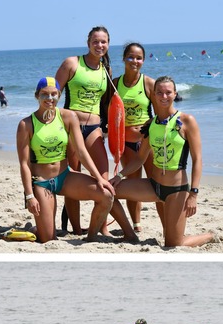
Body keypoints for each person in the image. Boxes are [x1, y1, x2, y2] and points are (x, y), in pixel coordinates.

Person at [17, 76, 137, 243]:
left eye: (54, 94)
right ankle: (35, 228)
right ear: (37, 96)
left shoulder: (68, 117)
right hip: (42, 182)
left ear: (59, 95)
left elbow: (81, 152)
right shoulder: (26, 124)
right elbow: (24, 163)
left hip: (65, 177)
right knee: (48, 239)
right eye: (44, 94)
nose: (50, 99)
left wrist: (98, 178)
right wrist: (30, 195)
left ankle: (92, 236)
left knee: (106, 194)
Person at [110, 76, 214, 247]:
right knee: (107, 191)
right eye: (159, 93)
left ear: (175, 94)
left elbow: (198, 160)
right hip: (152, 186)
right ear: (154, 95)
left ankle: (209, 235)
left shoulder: (187, 121)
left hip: (176, 191)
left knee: (173, 244)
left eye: (168, 93)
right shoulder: (151, 125)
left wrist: (193, 194)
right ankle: (130, 234)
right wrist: (119, 176)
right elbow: (139, 159)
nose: (164, 96)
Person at [55, 26, 132, 238]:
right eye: (96, 41)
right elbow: (53, 95)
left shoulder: (105, 71)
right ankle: (77, 228)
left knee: (104, 179)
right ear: (88, 43)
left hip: (94, 128)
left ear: (108, 45)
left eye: (104, 42)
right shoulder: (72, 63)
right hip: (71, 128)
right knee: (73, 177)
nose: (100, 45)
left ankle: (102, 228)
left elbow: (107, 102)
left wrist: (110, 128)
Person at [112, 43, 156, 232]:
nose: (134, 61)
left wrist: (151, 125)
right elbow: (108, 114)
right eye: (131, 57)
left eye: (139, 58)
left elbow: (161, 112)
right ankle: (136, 225)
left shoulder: (148, 83)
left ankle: (166, 225)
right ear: (124, 58)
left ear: (143, 61)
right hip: (126, 144)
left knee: (157, 186)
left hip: (147, 142)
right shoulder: (115, 83)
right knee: (132, 186)